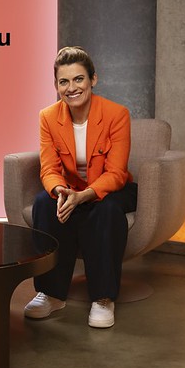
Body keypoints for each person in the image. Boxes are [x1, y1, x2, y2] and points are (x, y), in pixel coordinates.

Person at [24, 46, 137, 328]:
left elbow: (116, 171)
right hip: (71, 187)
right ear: (56, 86)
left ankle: (103, 298)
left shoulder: (116, 114)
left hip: (112, 188)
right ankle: (51, 293)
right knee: (43, 204)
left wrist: (86, 195)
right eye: (64, 81)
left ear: (93, 80)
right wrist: (60, 192)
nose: (71, 88)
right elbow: (49, 168)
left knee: (106, 210)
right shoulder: (48, 117)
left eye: (78, 79)